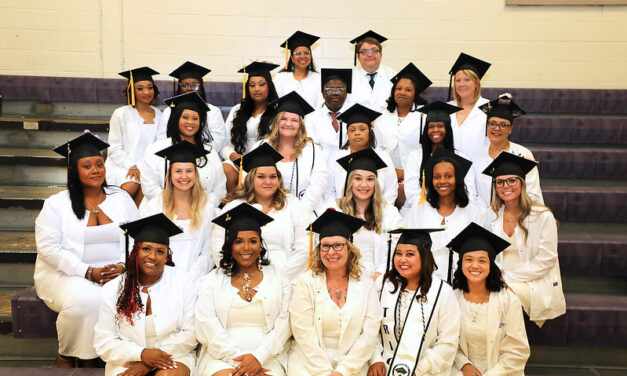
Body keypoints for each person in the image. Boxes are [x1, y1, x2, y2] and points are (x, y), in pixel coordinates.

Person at [34, 133, 139, 368]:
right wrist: (87, 271)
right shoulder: (56, 204)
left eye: (99, 164)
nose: (95, 170)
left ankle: (107, 360)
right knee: (86, 299)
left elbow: (137, 237)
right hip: (67, 273)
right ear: (75, 171)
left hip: (116, 271)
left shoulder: (121, 198)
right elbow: (49, 249)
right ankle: (68, 355)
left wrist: (123, 266)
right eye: (87, 166)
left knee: (118, 295)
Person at [94, 213, 197, 376]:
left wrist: (152, 361)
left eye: (160, 251)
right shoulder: (114, 289)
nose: (152, 256)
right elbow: (104, 342)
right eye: (146, 249)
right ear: (135, 251)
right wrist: (141, 355)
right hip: (127, 359)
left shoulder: (183, 283)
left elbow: (191, 333)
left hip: (175, 356)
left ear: (167, 256)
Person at [196, 203, 292, 376]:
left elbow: (284, 324)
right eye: (238, 241)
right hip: (221, 358)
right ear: (230, 246)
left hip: (268, 357)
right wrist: (242, 361)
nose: (246, 248)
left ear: (260, 245)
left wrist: (258, 357)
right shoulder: (212, 280)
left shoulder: (279, 277)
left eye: (253, 241)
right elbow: (207, 326)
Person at [289, 209, 382, 376]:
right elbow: (303, 335)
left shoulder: (365, 284)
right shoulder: (306, 282)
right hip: (308, 365)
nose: (331, 252)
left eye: (338, 245)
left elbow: (369, 333)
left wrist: (342, 371)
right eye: (325, 246)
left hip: (352, 364)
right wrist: (325, 372)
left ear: (350, 248)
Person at [482, 152, 565, 327]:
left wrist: (509, 277)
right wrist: (497, 274)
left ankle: (510, 348)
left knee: (502, 297)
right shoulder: (490, 215)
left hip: (531, 279)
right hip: (501, 275)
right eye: (500, 182)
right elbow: (487, 252)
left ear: (522, 183)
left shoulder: (542, 216)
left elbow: (546, 260)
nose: (506, 186)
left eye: (512, 180)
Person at [212, 143, 311, 281]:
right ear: (251, 179)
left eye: (272, 176)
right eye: (261, 177)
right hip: (242, 278)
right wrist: (235, 275)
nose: (268, 181)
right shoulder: (234, 207)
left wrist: (282, 278)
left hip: (286, 276)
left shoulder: (293, 205)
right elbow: (218, 245)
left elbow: (304, 247)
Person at [368, 228, 460, 376]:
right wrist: (375, 359)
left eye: (410, 254)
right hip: (383, 367)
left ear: (425, 257)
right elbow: (369, 327)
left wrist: (417, 370)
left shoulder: (443, 292)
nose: (402, 259)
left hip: (425, 371)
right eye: (398, 253)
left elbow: (447, 343)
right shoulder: (382, 284)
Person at [449, 222, 530, 376]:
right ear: (461, 264)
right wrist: (464, 365)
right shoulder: (452, 298)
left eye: (482, 260)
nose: (474, 265)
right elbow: (448, 341)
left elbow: (517, 352)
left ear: (491, 265)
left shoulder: (508, 300)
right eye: (468, 259)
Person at [141, 141, 218, 281]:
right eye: (178, 171)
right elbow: (146, 248)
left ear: (196, 174)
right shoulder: (155, 206)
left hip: (197, 279)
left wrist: (191, 278)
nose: (184, 176)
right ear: (170, 175)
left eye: (189, 171)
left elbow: (208, 252)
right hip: (161, 277)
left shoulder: (207, 207)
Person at [406, 147, 483, 284]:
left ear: (457, 179)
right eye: (437, 177)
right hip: (425, 279)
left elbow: (478, 249)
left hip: (462, 280)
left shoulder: (472, 211)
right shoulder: (420, 208)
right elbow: (409, 243)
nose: (442, 181)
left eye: (448, 176)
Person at [140, 92, 227, 204]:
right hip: (164, 210)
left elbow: (220, 189)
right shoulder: (155, 150)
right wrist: (178, 205)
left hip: (202, 211)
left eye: (195, 118)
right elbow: (150, 187)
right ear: (176, 120)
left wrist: (202, 205)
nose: (190, 122)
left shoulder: (210, 153)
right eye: (185, 117)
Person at [251, 91, 328, 213]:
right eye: (284, 119)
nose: (288, 124)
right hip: (265, 211)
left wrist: (300, 213)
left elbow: (318, 185)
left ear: (301, 125)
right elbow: (250, 181)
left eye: (294, 120)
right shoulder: (260, 147)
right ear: (277, 121)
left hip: (304, 211)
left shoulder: (314, 151)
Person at [333, 148, 403, 279]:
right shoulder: (336, 210)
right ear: (349, 181)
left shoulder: (389, 213)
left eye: (370, 179)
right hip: (342, 278)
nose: (364, 185)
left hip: (378, 280)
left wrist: (379, 275)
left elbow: (396, 248)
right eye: (358, 178)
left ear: (375, 183)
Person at [373, 62, 432, 207]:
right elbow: (378, 151)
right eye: (398, 88)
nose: (402, 92)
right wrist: (392, 173)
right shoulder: (382, 119)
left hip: (415, 176)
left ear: (415, 94)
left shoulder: (423, 119)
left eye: (408, 89)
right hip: (386, 175)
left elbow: (426, 151)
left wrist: (406, 173)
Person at [403, 101, 479, 212]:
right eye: (431, 127)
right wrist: (433, 211)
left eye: (440, 126)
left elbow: (470, 192)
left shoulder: (461, 157)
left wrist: (450, 210)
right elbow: (412, 194)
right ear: (426, 130)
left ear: (447, 129)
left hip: (456, 211)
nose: (435, 130)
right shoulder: (415, 158)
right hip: (423, 212)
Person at [472, 94, 544, 207]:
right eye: (492, 123)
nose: (496, 128)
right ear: (487, 126)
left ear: (511, 129)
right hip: (482, 219)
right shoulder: (475, 157)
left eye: (503, 125)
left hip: (515, 218)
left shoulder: (524, 154)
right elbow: (472, 194)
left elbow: (533, 194)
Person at [106, 66, 164, 206]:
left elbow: (160, 147)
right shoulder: (120, 114)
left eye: (150, 88)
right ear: (131, 90)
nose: (146, 92)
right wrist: (131, 166)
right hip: (122, 165)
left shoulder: (160, 115)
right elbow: (114, 148)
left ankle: (136, 224)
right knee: (131, 184)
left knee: (147, 188)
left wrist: (146, 169)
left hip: (148, 166)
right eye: (140, 88)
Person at [322, 103, 398, 210]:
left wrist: (378, 211)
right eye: (352, 130)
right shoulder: (336, 158)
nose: (357, 133)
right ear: (347, 133)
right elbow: (329, 190)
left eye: (362, 129)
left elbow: (391, 190)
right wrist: (339, 209)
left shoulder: (383, 158)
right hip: (342, 212)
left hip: (375, 214)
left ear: (370, 132)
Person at [222, 62, 280, 191]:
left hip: (265, 164)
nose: (257, 89)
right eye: (252, 85)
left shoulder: (278, 113)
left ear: (269, 86)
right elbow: (225, 144)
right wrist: (233, 156)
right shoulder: (237, 110)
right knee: (226, 169)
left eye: (261, 84)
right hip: (239, 163)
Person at [159, 61, 226, 153]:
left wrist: (195, 153)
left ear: (201, 88)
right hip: (174, 156)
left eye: (195, 85)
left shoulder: (213, 111)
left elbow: (217, 142)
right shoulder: (169, 111)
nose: (189, 88)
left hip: (205, 156)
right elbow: (161, 138)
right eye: (185, 85)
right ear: (179, 88)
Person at [447, 53, 491, 157]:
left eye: (467, 80)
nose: (461, 84)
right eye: (458, 80)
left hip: (479, 168)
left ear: (477, 83)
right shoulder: (447, 108)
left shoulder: (489, 108)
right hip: (451, 168)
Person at [304, 68, 353, 157]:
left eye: (340, 90)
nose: (335, 93)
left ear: (346, 94)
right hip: (320, 165)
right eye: (330, 90)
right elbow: (310, 148)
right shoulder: (311, 118)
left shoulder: (354, 115)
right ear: (323, 93)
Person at [350, 30, 397, 112]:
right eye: (364, 51)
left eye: (374, 51)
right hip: (359, 122)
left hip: (387, 122)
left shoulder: (394, 76)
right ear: (358, 56)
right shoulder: (349, 78)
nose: (369, 54)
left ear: (381, 54)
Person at [274, 31, 323, 109]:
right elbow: (276, 103)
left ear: (310, 56)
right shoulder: (280, 78)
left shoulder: (318, 79)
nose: (303, 56)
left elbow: (320, 105)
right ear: (292, 58)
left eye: (306, 53)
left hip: (312, 120)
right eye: (298, 53)